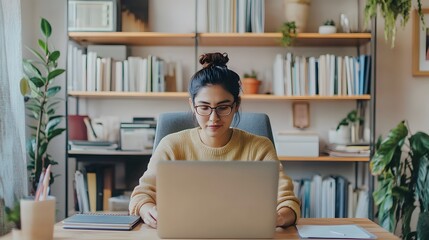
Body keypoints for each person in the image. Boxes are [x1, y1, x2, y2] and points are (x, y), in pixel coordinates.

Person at [129, 52, 300, 228]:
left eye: (223, 107)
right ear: (192, 106)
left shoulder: (259, 148)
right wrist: (147, 209)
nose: (213, 118)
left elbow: (288, 202)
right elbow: (141, 195)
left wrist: (278, 218)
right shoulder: (172, 145)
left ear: (236, 106)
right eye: (204, 107)